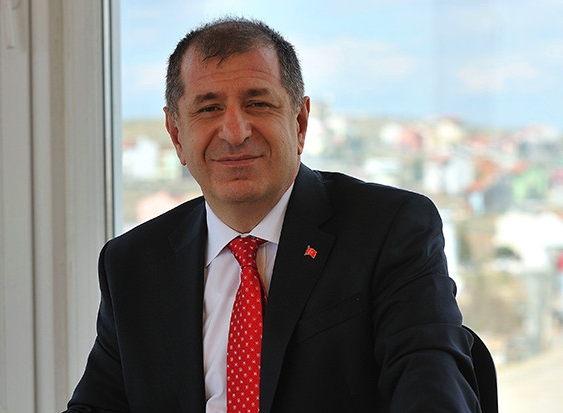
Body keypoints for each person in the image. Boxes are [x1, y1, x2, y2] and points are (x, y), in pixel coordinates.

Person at [64, 17, 481, 413]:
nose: (235, 132)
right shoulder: (133, 264)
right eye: (208, 109)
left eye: (257, 103)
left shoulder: (390, 230)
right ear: (176, 134)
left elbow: (433, 391)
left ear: (299, 123)